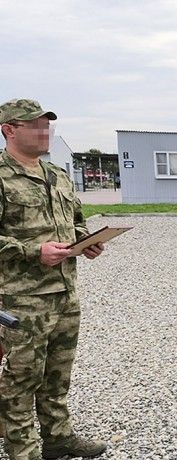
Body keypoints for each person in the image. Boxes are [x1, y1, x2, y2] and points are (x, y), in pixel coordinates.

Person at [0, 99, 107, 460]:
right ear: (9, 130)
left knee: (57, 374)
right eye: (35, 125)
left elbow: (76, 218)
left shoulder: (57, 175)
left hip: (64, 292)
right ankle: (22, 450)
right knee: (21, 379)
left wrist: (85, 241)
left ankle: (58, 438)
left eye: (47, 125)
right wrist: (34, 251)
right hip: (21, 298)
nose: (44, 131)